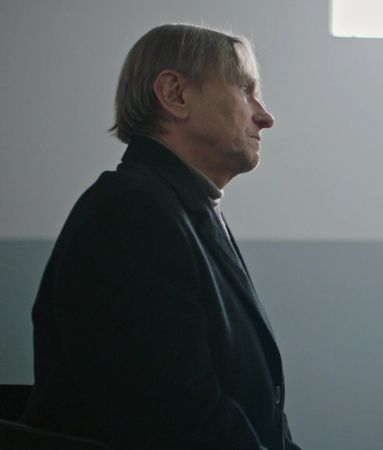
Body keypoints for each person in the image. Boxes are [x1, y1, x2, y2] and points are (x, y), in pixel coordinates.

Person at [19, 24, 302, 450]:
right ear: (175, 94)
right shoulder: (129, 216)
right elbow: (179, 423)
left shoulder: (181, 207)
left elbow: (254, 407)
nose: (265, 116)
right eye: (246, 90)